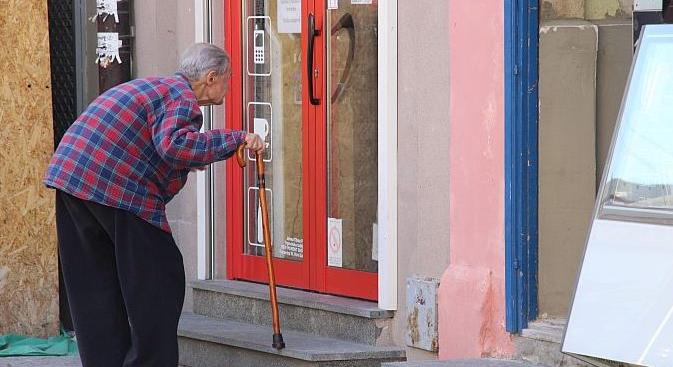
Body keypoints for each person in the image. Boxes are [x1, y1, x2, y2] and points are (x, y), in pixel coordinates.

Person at [43, 43, 263, 367]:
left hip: (71, 177)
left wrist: (192, 158)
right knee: (162, 277)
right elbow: (174, 146)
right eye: (228, 80)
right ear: (211, 77)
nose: (229, 88)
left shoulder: (156, 88)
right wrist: (236, 139)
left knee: (96, 285)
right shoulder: (181, 97)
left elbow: (160, 147)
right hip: (114, 187)